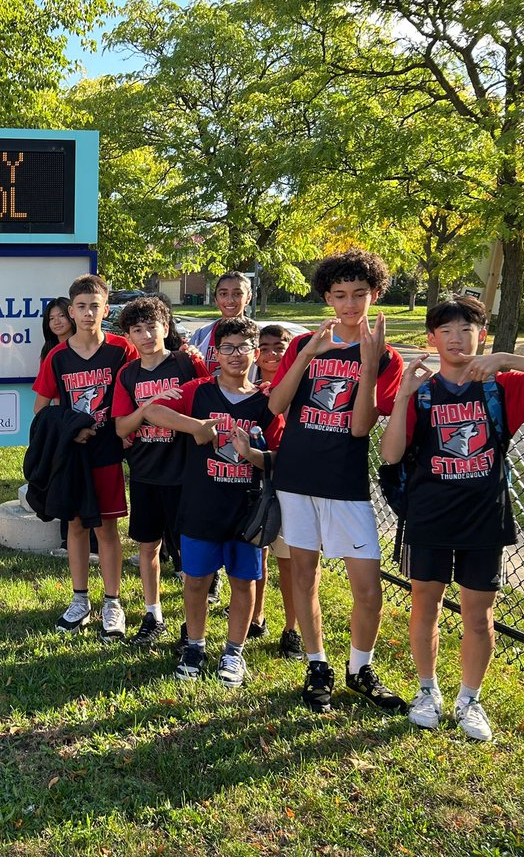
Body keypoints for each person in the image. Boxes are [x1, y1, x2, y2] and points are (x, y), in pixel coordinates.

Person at [381, 296, 524, 740]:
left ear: (481, 333)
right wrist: (404, 394)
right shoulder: (421, 391)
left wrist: (504, 357)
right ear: (431, 338)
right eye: (446, 330)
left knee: (478, 614)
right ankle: (427, 691)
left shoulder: (503, 386)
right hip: (429, 516)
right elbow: (389, 454)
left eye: (467, 329)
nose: (457, 338)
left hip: (483, 517)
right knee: (426, 604)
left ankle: (470, 699)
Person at [267, 248, 406, 714]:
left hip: (344, 482)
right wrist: (307, 353)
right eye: (340, 295)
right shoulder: (305, 343)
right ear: (327, 297)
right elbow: (275, 406)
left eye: (360, 295)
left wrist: (368, 367)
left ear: (375, 295)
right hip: (295, 475)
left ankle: (359, 668)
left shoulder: (385, 356)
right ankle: (317, 663)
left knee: (368, 587)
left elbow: (360, 427)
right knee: (303, 574)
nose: (350, 305)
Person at [144, 317, 284, 686]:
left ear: (255, 353)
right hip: (201, 504)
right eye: (227, 348)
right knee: (196, 581)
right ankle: (195, 644)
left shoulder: (267, 401)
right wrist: (196, 427)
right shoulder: (198, 390)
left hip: (247, 510)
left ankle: (234, 651)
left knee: (243, 581)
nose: (235, 355)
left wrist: (252, 454)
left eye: (243, 348)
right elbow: (152, 411)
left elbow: (279, 458)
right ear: (215, 353)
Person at [32, 274, 138, 639]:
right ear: (71, 311)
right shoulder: (58, 357)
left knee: (107, 528)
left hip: (108, 450)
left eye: (95, 306)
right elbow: (41, 409)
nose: (89, 313)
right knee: (75, 525)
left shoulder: (122, 350)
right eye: (81, 306)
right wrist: (70, 428)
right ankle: (80, 600)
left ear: (105, 309)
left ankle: (112, 602)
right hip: (73, 456)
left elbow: (137, 392)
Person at [111, 296, 209, 647]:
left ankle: (191, 622)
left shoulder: (187, 363)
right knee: (148, 546)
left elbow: (209, 403)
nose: (146, 335)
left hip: (185, 472)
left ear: (165, 328)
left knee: (188, 554)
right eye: (137, 330)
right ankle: (153, 615)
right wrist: (150, 407)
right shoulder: (128, 374)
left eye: (152, 326)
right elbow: (122, 428)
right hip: (146, 471)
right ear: (130, 337)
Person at [254, 324, 304, 660]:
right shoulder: (247, 387)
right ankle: (255, 615)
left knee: (289, 560)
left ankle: (292, 628)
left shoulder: (302, 384)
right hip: (255, 478)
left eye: (280, 347)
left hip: (291, 480)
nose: (272, 354)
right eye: (265, 347)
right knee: (256, 553)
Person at [39, 296, 97, 561]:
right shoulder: (52, 354)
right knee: (66, 484)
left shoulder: (106, 350)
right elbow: (43, 402)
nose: (57, 322)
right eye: (51, 318)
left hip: (99, 433)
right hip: (66, 430)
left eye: (60, 315)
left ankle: (94, 544)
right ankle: (69, 540)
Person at [187, 271, 252, 376]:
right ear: (216, 299)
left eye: (237, 294)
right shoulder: (201, 336)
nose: (230, 300)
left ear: (248, 297)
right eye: (223, 294)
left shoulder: (260, 335)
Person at [40, 297, 76, 362]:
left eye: (61, 316)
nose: (57, 322)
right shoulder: (48, 350)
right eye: (51, 318)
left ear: (72, 315)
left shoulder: (82, 346)